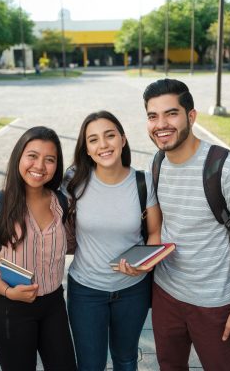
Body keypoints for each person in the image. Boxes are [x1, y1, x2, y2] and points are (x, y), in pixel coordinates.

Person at [143, 79, 230, 371]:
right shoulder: (156, 165)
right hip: (166, 295)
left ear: (191, 116)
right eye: (152, 116)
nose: (161, 124)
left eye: (171, 114)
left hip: (214, 303)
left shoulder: (227, 169)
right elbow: (159, 232)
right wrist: (140, 262)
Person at [0, 126, 77, 371]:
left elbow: (70, 244)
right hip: (9, 307)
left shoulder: (61, 202)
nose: (40, 165)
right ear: (19, 157)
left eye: (50, 159)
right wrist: (8, 291)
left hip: (53, 304)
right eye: (32, 156)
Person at [64, 111, 162, 371]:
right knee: (90, 365)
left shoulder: (143, 182)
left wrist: (144, 264)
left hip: (133, 290)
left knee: (126, 359)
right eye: (93, 140)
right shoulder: (74, 183)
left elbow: (154, 232)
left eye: (110, 136)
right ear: (86, 149)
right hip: (85, 290)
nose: (103, 145)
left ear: (123, 139)